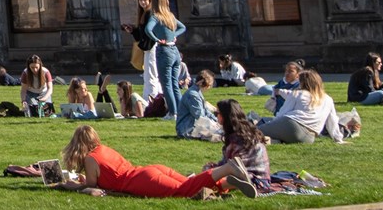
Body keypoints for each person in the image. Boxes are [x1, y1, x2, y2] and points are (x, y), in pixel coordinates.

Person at [52, 125, 255, 199]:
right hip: (149, 170)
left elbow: (91, 185)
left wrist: (72, 186)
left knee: (185, 190)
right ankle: (229, 182)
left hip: (143, 180)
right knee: (191, 187)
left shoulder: (90, 158)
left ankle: (228, 167)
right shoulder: (103, 149)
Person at [258, 71, 346, 145]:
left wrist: (271, 124)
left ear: (302, 83)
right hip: (309, 137)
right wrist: (338, 139)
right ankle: (271, 140)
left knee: (254, 131)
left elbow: (282, 113)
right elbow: (332, 121)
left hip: (291, 125)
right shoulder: (328, 99)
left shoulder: (298, 93)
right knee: (279, 137)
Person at [208, 100, 270, 189]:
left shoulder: (235, 139)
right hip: (263, 180)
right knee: (211, 171)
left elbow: (229, 165)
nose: (216, 116)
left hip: (250, 178)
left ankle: (238, 183)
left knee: (209, 177)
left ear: (224, 116)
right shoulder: (250, 132)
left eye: (216, 113)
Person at [145, 0, 187, 121]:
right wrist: (174, 35)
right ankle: (181, 112)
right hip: (175, 50)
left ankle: (173, 113)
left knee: (166, 84)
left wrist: (156, 39)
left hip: (164, 51)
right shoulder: (171, 17)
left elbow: (148, 29)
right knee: (174, 83)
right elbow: (183, 27)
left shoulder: (156, 17)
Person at [175, 72, 215, 140]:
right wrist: (214, 125)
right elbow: (200, 116)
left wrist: (217, 121)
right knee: (219, 134)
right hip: (187, 129)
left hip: (193, 126)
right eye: (209, 85)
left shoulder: (197, 92)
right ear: (202, 82)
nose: (209, 87)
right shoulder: (193, 95)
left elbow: (206, 111)